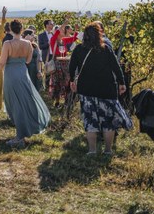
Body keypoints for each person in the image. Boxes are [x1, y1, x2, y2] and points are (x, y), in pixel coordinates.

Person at [69, 23, 132, 155]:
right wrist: (121, 83)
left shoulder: (79, 49)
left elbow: (72, 66)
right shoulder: (106, 49)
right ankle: (108, 150)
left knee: (90, 120)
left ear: (85, 35)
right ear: (99, 35)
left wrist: (72, 81)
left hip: (86, 89)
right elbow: (116, 67)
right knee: (108, 121)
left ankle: (92, 150)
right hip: (107, 89)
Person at [0, 20, 51, 148]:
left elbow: (1, 63)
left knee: (15, 104)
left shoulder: (7, 43)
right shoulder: (28, 43)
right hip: (23, 74)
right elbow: (28, 61)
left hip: (11, 75)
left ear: (10, 30)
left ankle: (19, 137)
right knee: (25, 101)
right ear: (22, 29)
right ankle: (23, 132)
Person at [48, 20, 79, 108]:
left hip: (65, 63)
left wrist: (76, 30)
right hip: (56, 63)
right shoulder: (53, 39)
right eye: (60, 31)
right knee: (56, 82)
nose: (62, 32)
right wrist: (64, 24)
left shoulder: (63, 40)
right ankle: (57, 101)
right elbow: (57, 31)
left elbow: (74, 38)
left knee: (66, 81)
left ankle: (66, 100)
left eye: (62, 31)